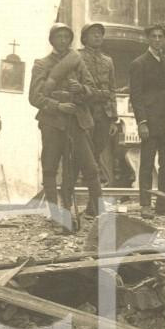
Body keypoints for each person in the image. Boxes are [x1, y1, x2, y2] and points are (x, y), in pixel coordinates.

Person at [29, 22, 102, 225]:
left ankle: (101, 214)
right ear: (52, 40)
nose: (63, 41)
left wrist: (80, 89)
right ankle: (55, 214)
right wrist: (57, 106)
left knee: (91, 168)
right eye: (58, 37)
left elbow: (92, 90)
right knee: (50, 168)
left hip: (76, 122)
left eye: (66, 37)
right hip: (52, 123)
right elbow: (34, 97)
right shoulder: (41, 65)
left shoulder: (77, 62)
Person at [128, 24, 165, 219]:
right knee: (147, 164)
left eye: (160, 36)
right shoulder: (139, 63)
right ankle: (145, 204)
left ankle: (163, 203)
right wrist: (142, 122)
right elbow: (136, 96)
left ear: (164, 39)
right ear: (148, 39)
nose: (157, 40)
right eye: (154, 36)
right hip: (149, 122)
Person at [77, 22, 118, 195]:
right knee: (83, 151)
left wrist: (114, 118)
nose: (97, 36)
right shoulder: (76, 57)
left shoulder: (108, 61)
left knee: (98, 151)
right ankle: (83, 187)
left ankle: (93, 195)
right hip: (85, 110)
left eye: (100, 34)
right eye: (93, 33)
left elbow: (113, 89)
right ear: (84, 38)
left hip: (103, 112)